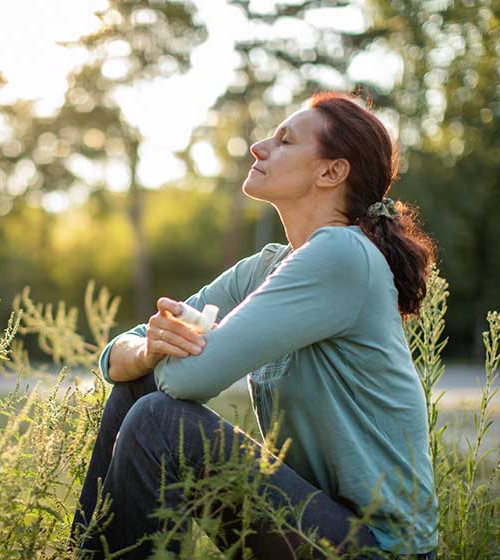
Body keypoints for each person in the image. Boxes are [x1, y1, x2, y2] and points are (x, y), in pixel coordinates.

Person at [70, 92, 439, 559]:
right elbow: (119, 355)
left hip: (380, 548)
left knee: (159, 419)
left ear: (331, 172)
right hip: (312, 523)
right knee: (135, 394)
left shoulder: (344, 254)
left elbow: (190, 380)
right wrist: (146, 353)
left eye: (284, 141)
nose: (258, 147)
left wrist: (161, 356)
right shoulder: (268, 266)